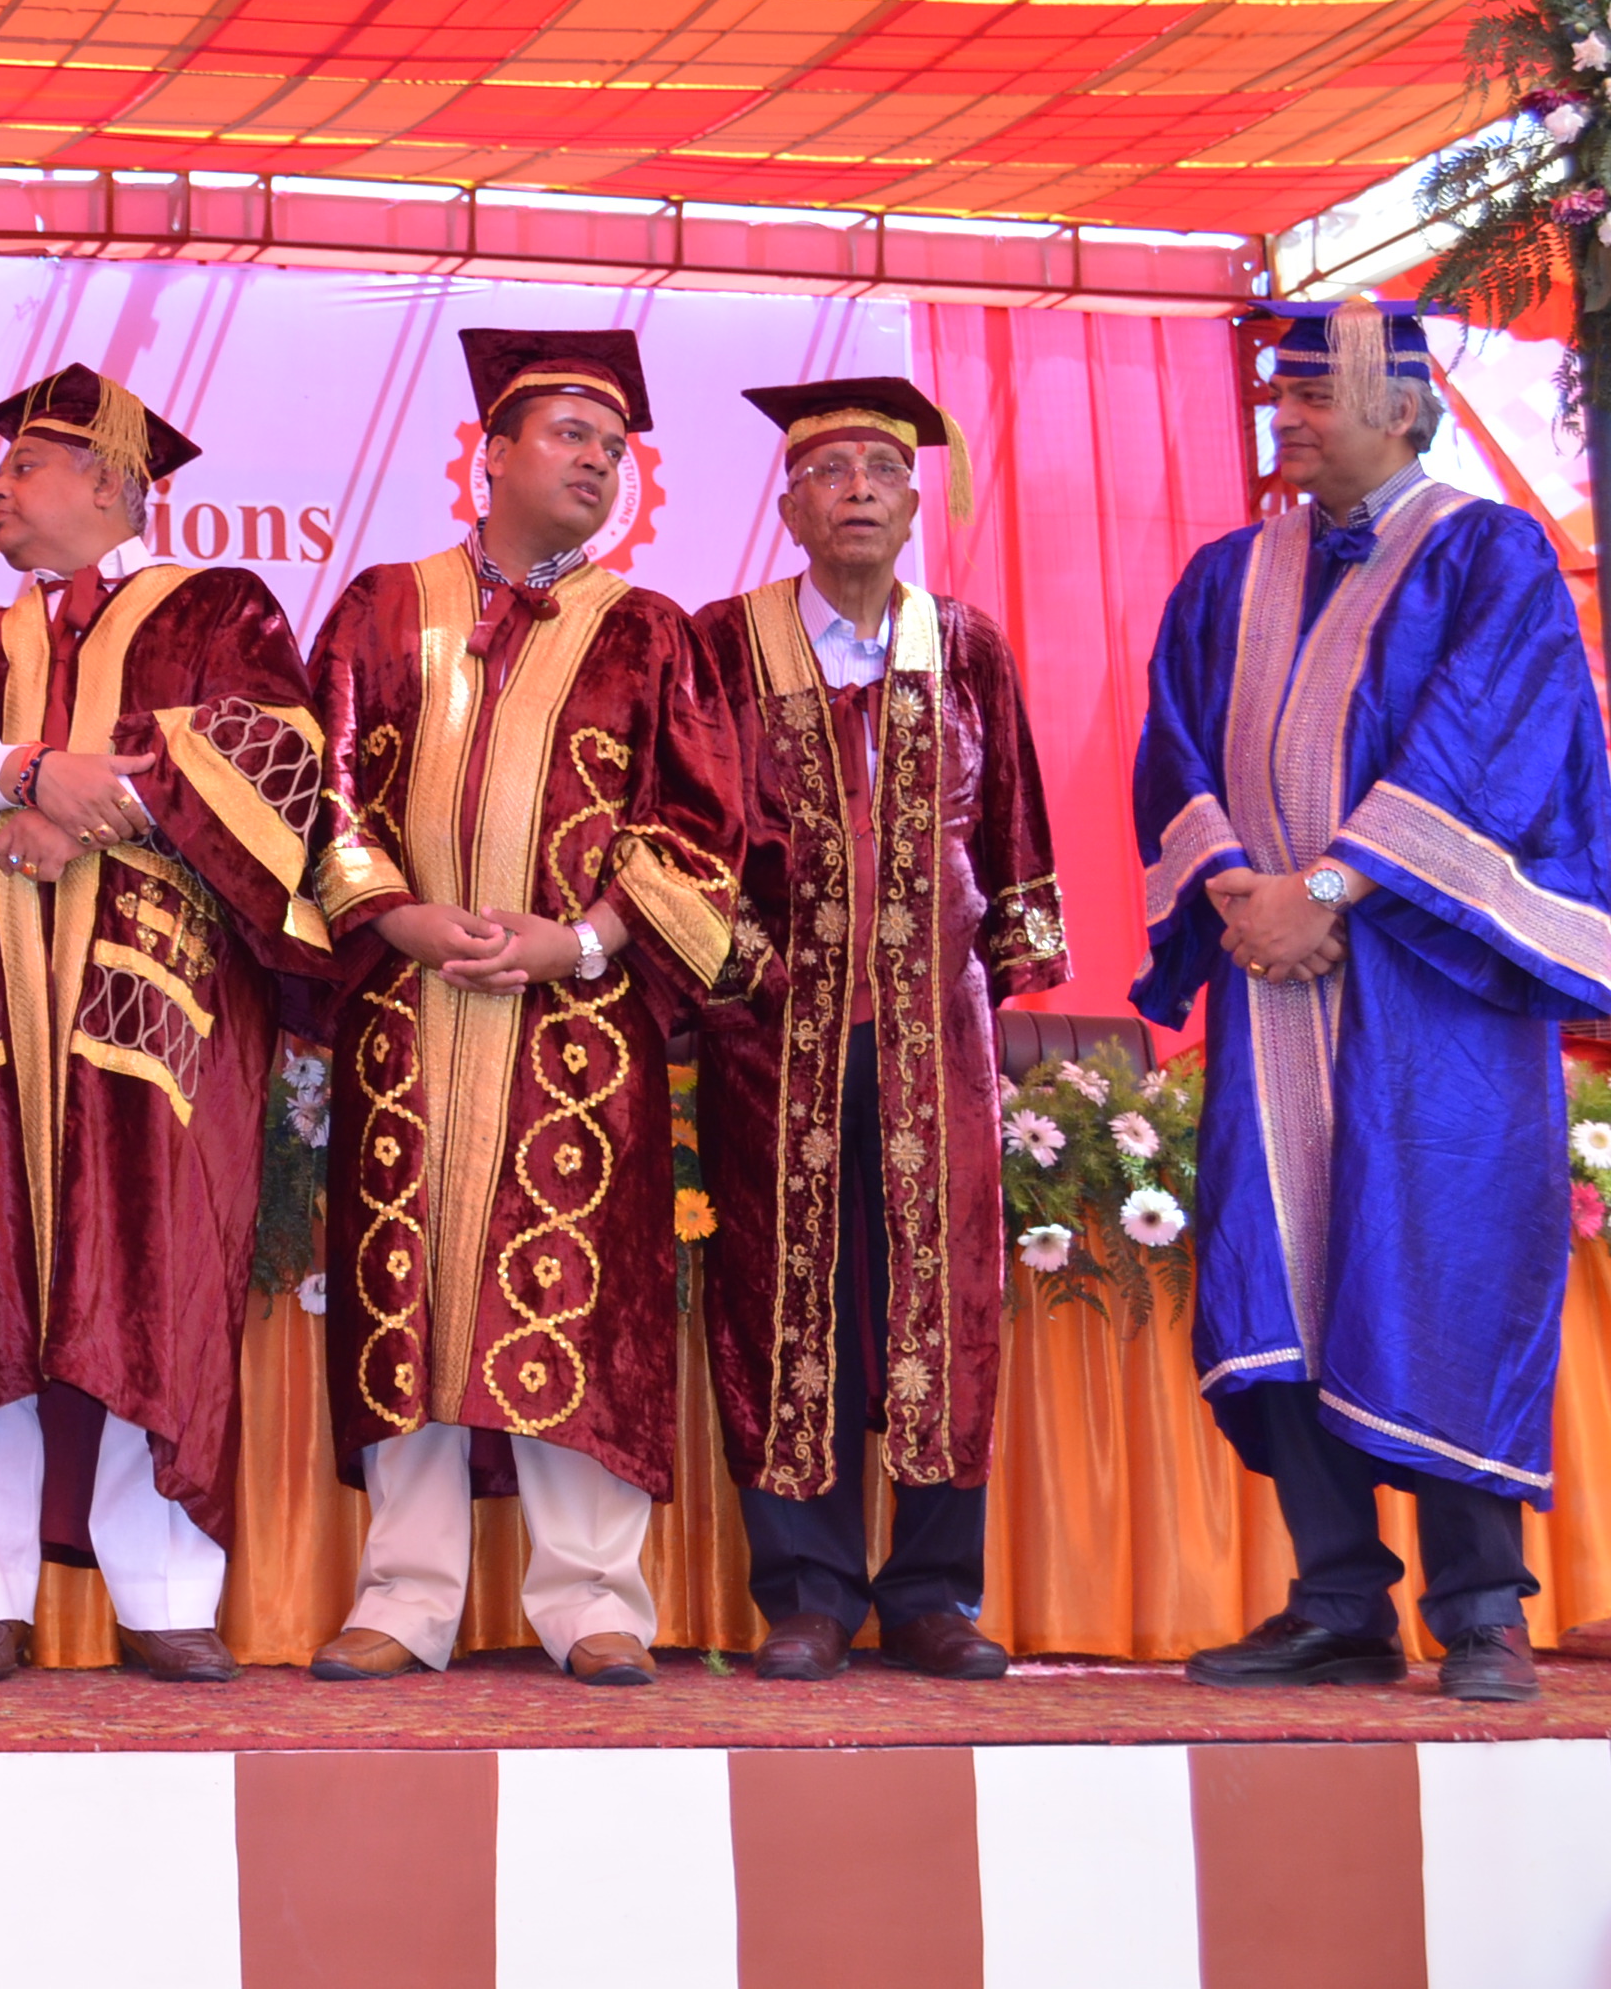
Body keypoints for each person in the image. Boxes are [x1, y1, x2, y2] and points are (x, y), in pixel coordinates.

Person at [1136, 299, 1611, 1706]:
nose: (1286, 417)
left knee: (1445, 1256)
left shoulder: (1489, 553)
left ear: (1402, 410)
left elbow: (1490, 752)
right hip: (1270, 986)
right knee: (1274, 1271)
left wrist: (1331, 892)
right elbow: (1173, 751)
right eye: (1279, 395)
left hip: (1433, 983)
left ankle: (1483, 1609)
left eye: (1316, 396)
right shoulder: (1227, 574)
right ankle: (1339, 1600)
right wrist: (1239, 891)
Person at [0, 363, 329, 1684]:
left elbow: (276, 760)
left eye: (25, 466)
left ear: (112, 481)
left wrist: (82, 803)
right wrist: (22, 771)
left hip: (159, 1016)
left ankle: (166, 1589)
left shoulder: (221, 609)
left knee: (154, 1268)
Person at [301, 328, 746, 1688]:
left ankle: (593, 1599)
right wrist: (395, 915)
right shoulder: (384, 608)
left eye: (615, 448)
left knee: (578, 1287)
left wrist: (588, 939)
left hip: (579, 1025)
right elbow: (322, 794)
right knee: (406, 1289)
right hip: (410, 1010)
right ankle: (406, 1596)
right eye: (570, 437)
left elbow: (701, 826)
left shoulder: (650, 632)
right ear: (489, 454)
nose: (599, 463)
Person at [689, 378, 1067, 1683]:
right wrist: (735, 972)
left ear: (914, 504)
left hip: (931, 1029)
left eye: (882, 471)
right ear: (788, 505)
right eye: (829, 471)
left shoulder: (962, 645)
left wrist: (1002, 970)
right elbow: (681, 827)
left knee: (941, 1301)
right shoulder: (724, 645)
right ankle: (806, 1593)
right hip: (773, 1029)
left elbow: (1011, 816)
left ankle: (932, 1594)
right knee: (783, 1296)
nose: (857, 489)